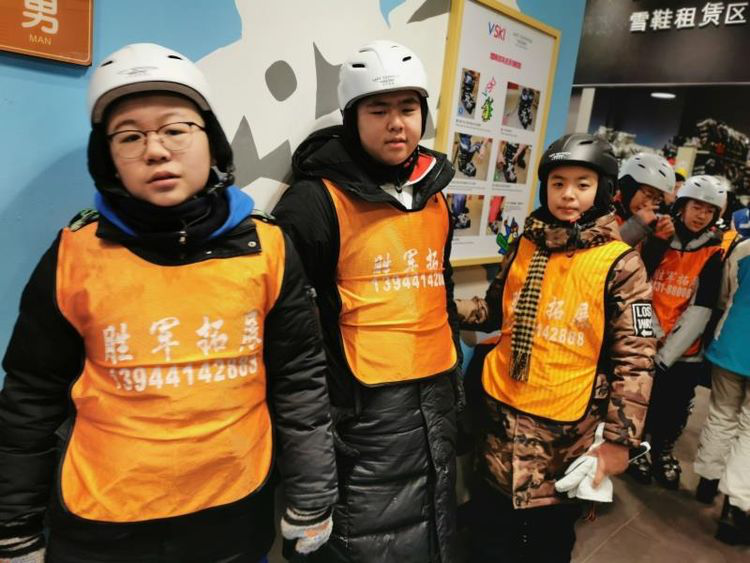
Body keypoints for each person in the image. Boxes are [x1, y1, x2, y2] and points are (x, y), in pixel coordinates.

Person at [0, 43, 337, 563]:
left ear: (212, 142)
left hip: (232, 516)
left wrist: (312, 497)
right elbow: (31, 398)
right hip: (103, 526)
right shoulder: (75, 255)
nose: (155, 151)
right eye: (129, 136)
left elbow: (299, 380)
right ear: (107, 158)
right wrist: (14, 527)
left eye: (176, 130)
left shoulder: (267, 247)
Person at [272, 40, 463, 563]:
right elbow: (289, 330)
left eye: (408, 108)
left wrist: (454, 389)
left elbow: (439, 288)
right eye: (378, 110)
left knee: (432, 531)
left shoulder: (434, 193)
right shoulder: (314, 201)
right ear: (352, 117)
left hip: (433, 401)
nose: (396, 124)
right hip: (362, 418)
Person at [456, 133, 655, 563]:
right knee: (488, 534)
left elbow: (636, 358)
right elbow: (495, 310)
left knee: (546, 541)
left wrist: (620, 441)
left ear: (604, 190)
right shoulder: (526, 244)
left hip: (563, 435)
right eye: (558, 182)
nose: (568, 194)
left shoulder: (620, 263)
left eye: (583, 184)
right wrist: (442, 306)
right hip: (500, 418)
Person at [632, 175, 725, 488]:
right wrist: (648, 337)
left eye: (709, 211)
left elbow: (702, 309)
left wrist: (667, 354)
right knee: (642, 401)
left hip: (684, 351)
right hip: (646, 338)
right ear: (682, 205)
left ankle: (663, 451)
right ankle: (638, 448)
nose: (701, 215)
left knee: (674, 407)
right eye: (697, 207)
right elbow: (639, 289)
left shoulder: (713, 252)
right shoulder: (657, 238)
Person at [693, 237, 750, 545]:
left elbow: (726, 294)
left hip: (730, 341)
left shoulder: (743, 248)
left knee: (721, 414)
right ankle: (735, 506)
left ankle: (708, 480)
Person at [614, 152, 676, 247]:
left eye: (657, 199)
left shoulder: (644, 222)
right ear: (628, 186)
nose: (648, 204)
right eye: (648, 195)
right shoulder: (603, 213)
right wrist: (637, 225)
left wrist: (658, 238)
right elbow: (603, 253)